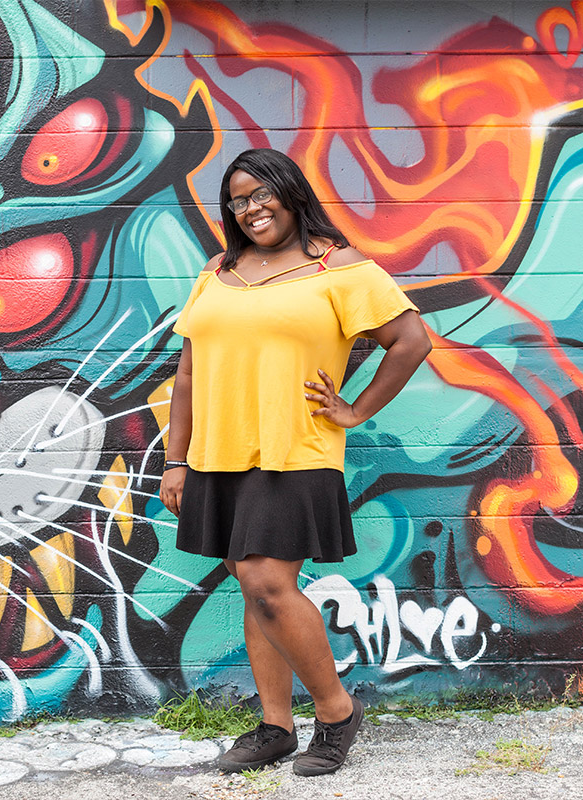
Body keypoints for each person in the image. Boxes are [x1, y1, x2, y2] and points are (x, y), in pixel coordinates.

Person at [159, 148, 431, 776]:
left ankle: (336, 712)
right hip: (217, 455)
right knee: (254, 588)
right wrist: (177, 461)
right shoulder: (218, 271)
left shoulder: (338, 267)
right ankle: (275, 726)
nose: (251, 209)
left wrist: (356, 411)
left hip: (295, 452)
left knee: (267, 583)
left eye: (262, 194)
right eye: (237, 199)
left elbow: (410, 339)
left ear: (290, 193)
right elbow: (190, 372)